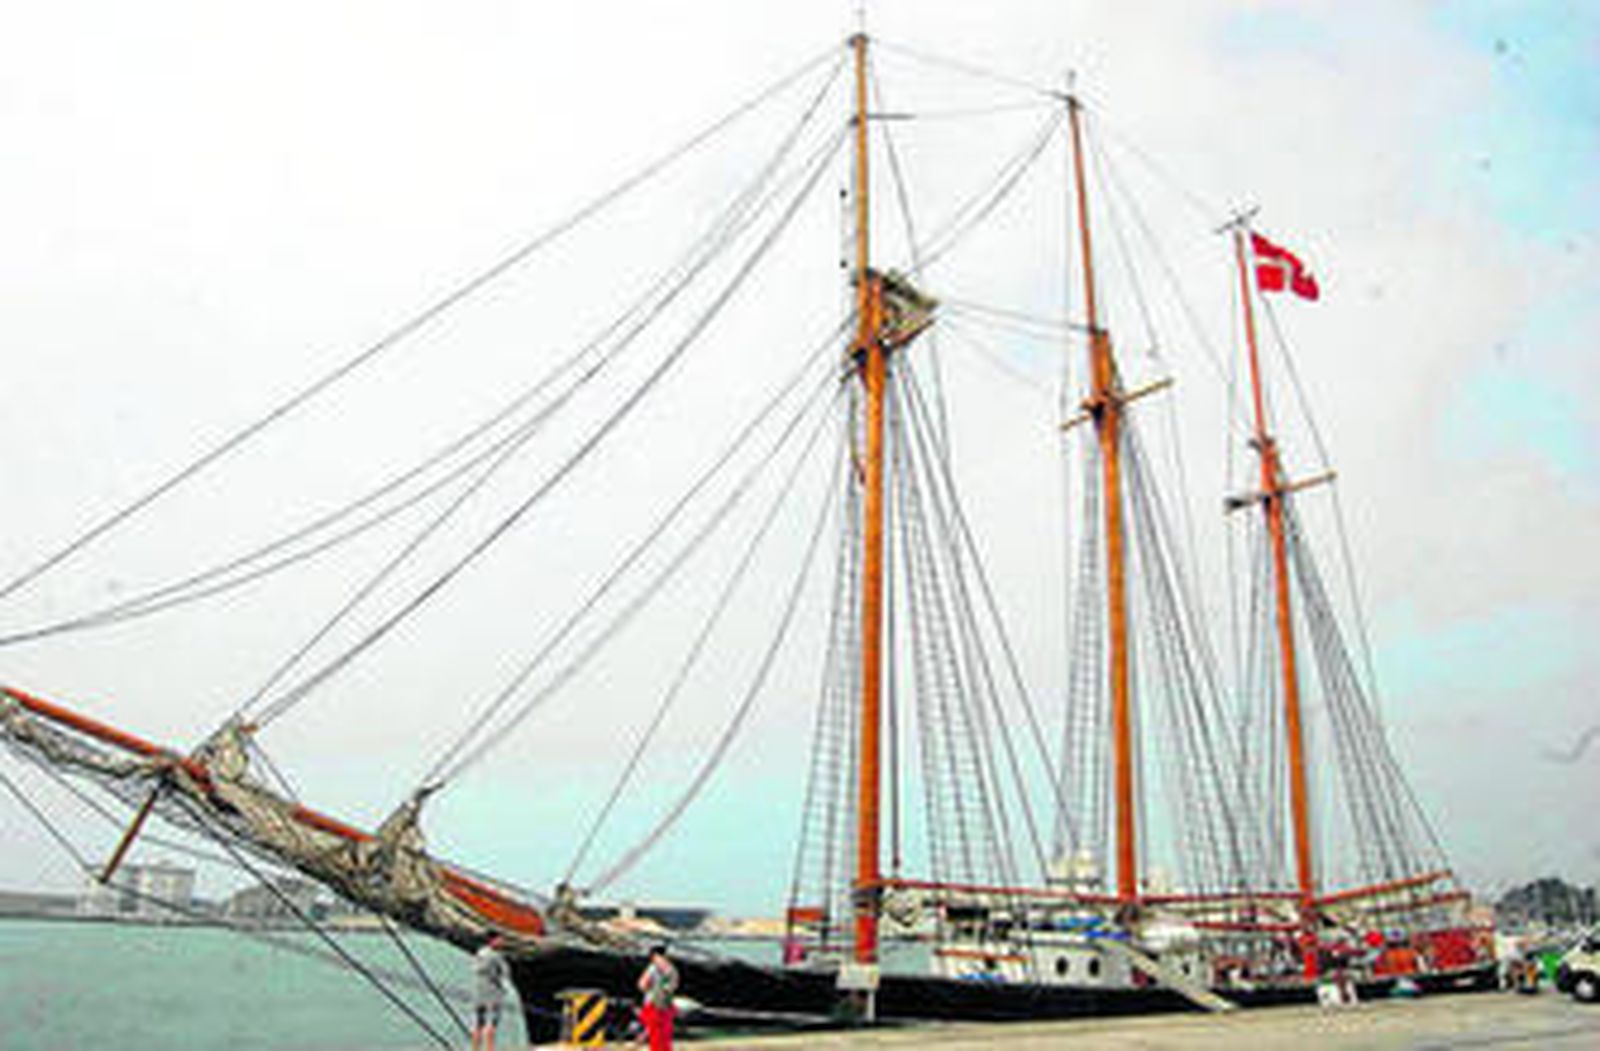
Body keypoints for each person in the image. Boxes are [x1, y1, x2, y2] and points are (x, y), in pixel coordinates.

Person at [636, 943, 680, 1051]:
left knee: (655, 1038)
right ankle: (643, 1036)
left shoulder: (652, 968)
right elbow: (672, 987)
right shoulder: (672, 970)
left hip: (653, 1005)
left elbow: (641, 985)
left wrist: (651, 989)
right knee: (664, 1038)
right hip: (665, 1005)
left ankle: (643, 1036)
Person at [472, 933, 509, 1051]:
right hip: (493, 992)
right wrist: (503, 987)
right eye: (500, 939)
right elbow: (503, 974)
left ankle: (475, 1048)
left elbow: (476, 969)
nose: (502, 942)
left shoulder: (480, 953)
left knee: (478, 1023)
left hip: (479, 992)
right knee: (492, 1024)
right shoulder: (496, 956)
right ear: (492, 940)